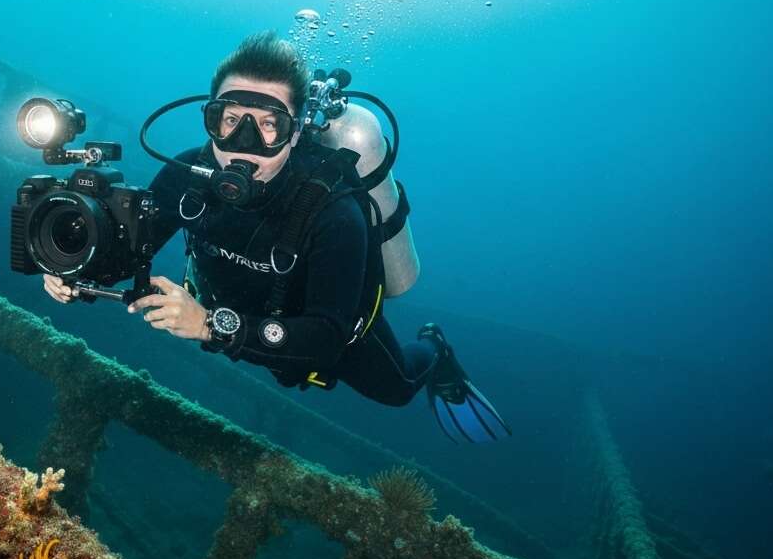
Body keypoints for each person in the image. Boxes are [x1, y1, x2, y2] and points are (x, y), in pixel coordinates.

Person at [43, 32, 507, 442]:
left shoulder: (333, 211)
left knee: (398, 389)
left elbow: (327, 338)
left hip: (321, 331)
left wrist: (209, 325)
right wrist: (78, 267)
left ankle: (436, 349)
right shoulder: (188, 175)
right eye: (230, 120)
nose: (244, 144)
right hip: (233, 318)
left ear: (296, 132)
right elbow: (130, 252)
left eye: (268, 125)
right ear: (211, 119)